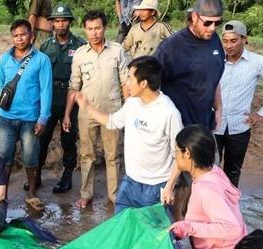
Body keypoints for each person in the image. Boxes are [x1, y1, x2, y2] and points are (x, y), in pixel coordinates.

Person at [73, 56, 182, 213]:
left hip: (156, 187)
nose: (127, 83)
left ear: (143, 83)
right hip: (130, 183)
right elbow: (112, 122)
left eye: (130, 78)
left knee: (153, 233)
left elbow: (179, 154)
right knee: (122, 228)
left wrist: (169, 187)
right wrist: (87, 107)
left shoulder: (169, 112)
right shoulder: (133, 103)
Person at [168, 125, 246, 249]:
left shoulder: (206, 189)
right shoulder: (214, 172)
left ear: (187, 154)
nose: (175, 156)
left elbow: (231, 228)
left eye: (176, 151)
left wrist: (189, 227)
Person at [64, 10, 128, 210]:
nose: (94, 33)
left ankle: (114, 195)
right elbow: (74, 87)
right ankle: (86, 194)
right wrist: (67, 114)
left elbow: (126, 82)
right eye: (90, 29)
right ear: (85, 29)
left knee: (113, 155)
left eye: (97, 28)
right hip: (87, 113)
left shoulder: (117, 51)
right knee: (87, 155)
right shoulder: (80, 55)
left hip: (112, 112)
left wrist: (129, 109)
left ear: (105, 28)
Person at [0, 19, 52, 213]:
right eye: (16, 35)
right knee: (2, 158)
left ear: (31, 36)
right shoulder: (4, 59)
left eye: (23, 34)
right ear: (12, 38)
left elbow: (45, 90)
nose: (19, 39)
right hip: (5, 118)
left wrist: (43, 118)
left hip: (30, 118)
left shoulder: (41, 60)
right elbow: (1, 85)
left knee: (30, 158)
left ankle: (32, 193)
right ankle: (2, 195)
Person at [215, 20, 263, 187]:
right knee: (209, 171)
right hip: (213, 125)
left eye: (233, 40)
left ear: (244, 39)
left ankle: (229, 208)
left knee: (233, 172)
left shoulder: (258, 62)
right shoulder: (214, 60)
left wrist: (262, 112)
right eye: (225, 41)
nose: (228, 46)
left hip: (240, 126)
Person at [154, 0, 225, 129]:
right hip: (178, 128)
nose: (213, 28)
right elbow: (150, 86)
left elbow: (213, 77)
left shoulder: (214, 40)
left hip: (204, 125)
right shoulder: (171, 47)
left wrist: (219, 108)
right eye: (207, 22)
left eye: (217, 23)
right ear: (194, 17)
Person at [37, 4, 84, 194]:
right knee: (42, 139)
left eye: (64, 20)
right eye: (57, 20)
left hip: (70, 99)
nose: (60, 24)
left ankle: (67, 177)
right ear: (52, 23)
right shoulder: (45, 46)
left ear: (70, 22)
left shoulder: (80, 46)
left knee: (68, 140)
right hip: (48, 98)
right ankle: (36, 175)